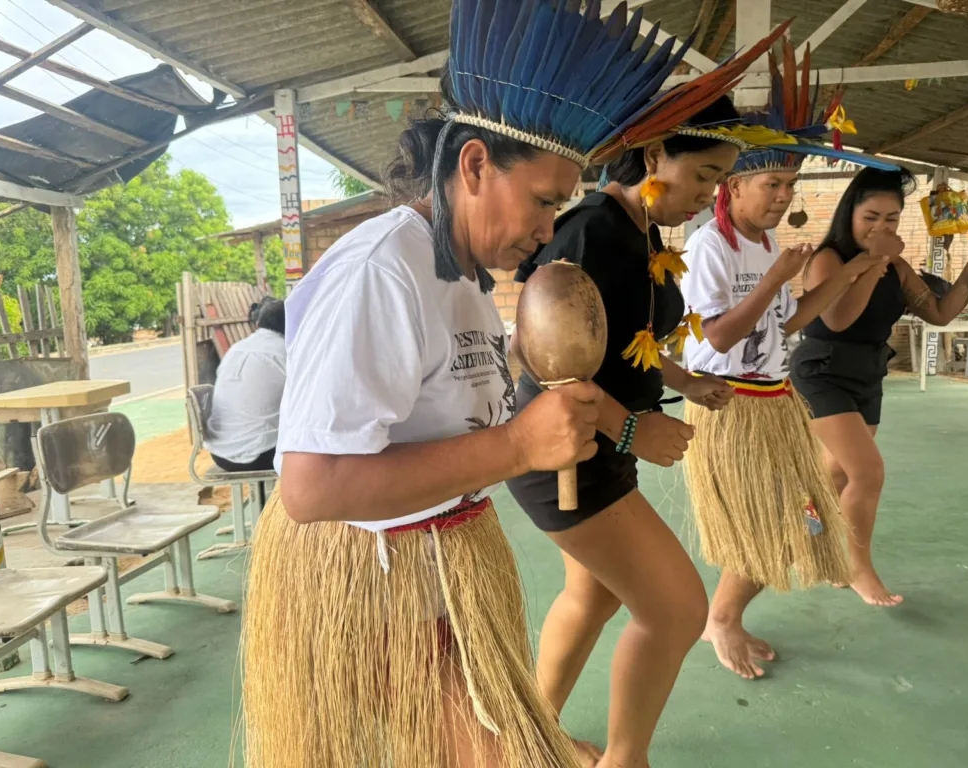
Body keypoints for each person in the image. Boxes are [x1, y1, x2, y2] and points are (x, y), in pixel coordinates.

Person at [240, 2, 755, 765]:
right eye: (546, 200)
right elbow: (311, 489)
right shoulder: (383, 270)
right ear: (475, 165)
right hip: (377, 583)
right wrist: (518, 444)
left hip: (438, 565)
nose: (552, 226)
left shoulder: (467, 276)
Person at [507, 96, 745, 768]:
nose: (707, 195)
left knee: (591, 596)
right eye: (702, 175)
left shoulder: (641, 231)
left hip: (598, 446)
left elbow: (620, 342)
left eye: (718, 182)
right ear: (651, 159)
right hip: (567, 451)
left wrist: (686, 379)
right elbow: (540, 352)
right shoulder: (590, 228)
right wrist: (633, 426)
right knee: (676, 611)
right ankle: (625, 760)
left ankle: (528, 739)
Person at [678, 40, 903, 680]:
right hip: (728, 402)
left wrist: (858, 265)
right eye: (772, 184)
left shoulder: (766, 240)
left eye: (790, 184)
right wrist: (778, 276)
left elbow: (794, 320)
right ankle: (719, 621)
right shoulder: (709, 248)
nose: (783, 195)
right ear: (735, 185)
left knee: (799, 517)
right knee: (775, 523)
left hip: (774, 399)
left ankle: (724, 616)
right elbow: (717, 340)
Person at [790, 167, 968, 607]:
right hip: (822, 372)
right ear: (849, 213)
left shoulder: (898, 266)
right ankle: (856, 566)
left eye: (891, 219)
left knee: (833, 473)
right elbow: (837, 318)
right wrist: (872, 261)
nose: (880, 228)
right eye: (871, 217)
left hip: (868, 374)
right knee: (867, 473)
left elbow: (941, 313)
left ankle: (807, 542)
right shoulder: (828, 259)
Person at [205, 298, 286, 475]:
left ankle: (265, 501)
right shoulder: (285, 352)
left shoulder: (236, 349)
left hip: (220, 452)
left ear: (258, 324)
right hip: (259, 453)